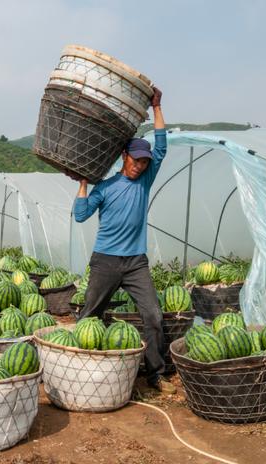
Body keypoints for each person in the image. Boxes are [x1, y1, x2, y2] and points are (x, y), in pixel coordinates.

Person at [72, 86, 175, 393]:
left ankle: (156, 373)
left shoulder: (145, 179)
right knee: (90, 314)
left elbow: (161, 147)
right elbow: (80, 215)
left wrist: (157, 107)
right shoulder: (105, 187)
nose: (139, 166)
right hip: (105, 261)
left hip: (135, 263)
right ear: (124, 156)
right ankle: (78, 367)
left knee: (153, 315)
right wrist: (83, 184)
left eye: (143, 162)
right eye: (135, 160)